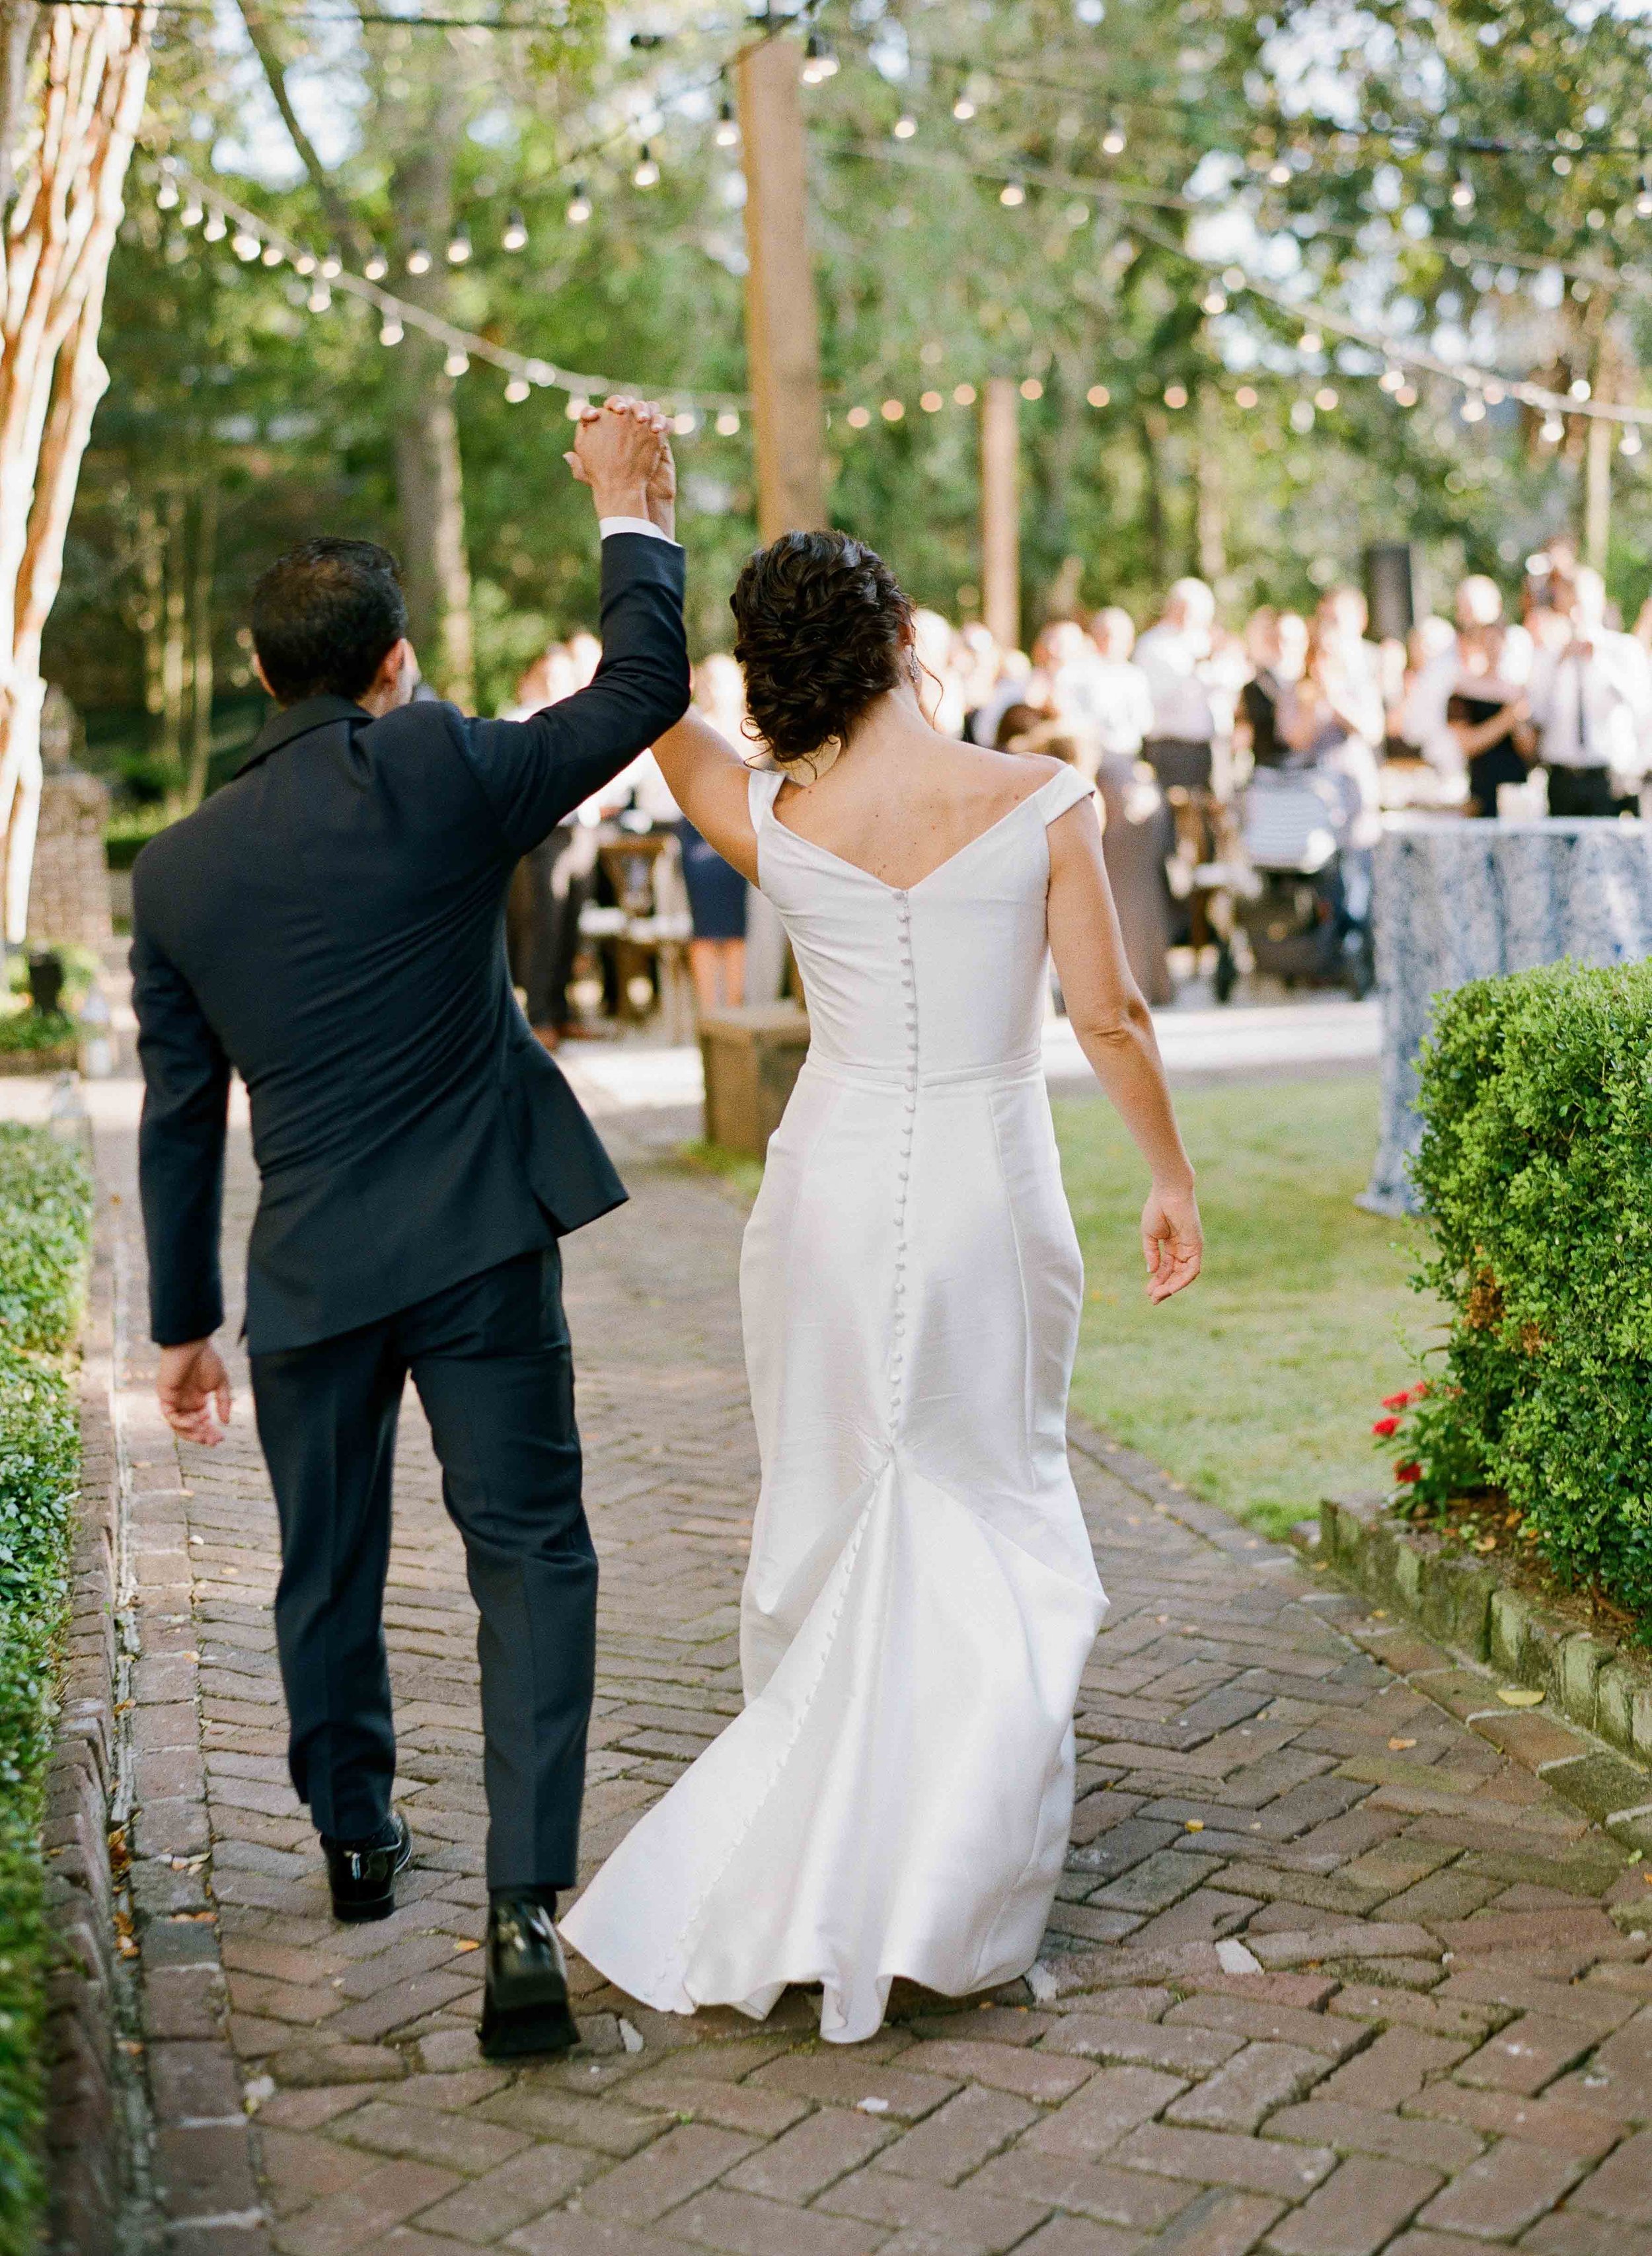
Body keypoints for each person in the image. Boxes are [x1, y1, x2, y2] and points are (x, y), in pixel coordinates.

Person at [560, 527, 1202, 2045]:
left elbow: (653, 693)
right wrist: (1168, 1175)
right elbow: (1106, 1014)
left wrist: (631, 521)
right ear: (904, 634)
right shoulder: (1041, 796)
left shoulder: (764, 815)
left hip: (832, 1188)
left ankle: (844, 1835)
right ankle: (950, 1863)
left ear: (777, 674)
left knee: (849, 1498)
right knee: (988, 1490)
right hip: (989, 1179)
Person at [129, 400, 689, 2063]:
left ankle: (357, 1838)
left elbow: (179, 1118)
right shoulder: (447, 766)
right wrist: (627, 507)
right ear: (395, 660)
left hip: (308, 1273)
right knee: (529, 1548)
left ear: (258, 671)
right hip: (478, 1245)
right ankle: (524, 1905)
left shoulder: (177, 874)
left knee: (329, 1564)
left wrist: (184, 1320)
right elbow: (640, 692)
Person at [1526, 565, 1652, 815]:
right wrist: (1559, 663)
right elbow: (1536, 714)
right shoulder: (1548, 656)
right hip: (1562, 777)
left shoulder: (1625, 651)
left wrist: (1600, 660)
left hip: (1610, 779)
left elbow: (1642, 708)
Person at [677, 654, 749, 1012]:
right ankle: (708, 1010)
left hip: (742, 831)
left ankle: (733, 1009)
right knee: (704, 928)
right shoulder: (694, 727)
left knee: (738, 928)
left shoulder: (754, 727)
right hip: (698, 835)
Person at [1134, 576, 1219, 790]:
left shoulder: (1203, 641)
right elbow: (1148, 699)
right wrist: (1188, 676)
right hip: (1169, 745)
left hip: (1203, 745)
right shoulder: (1152, 645)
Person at [1240, 608, 1307, 770]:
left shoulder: (1314, 682)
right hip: (1270, 773)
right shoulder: (1256, 686)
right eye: (1278, 639)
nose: (1284, 646)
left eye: (1292, 640)